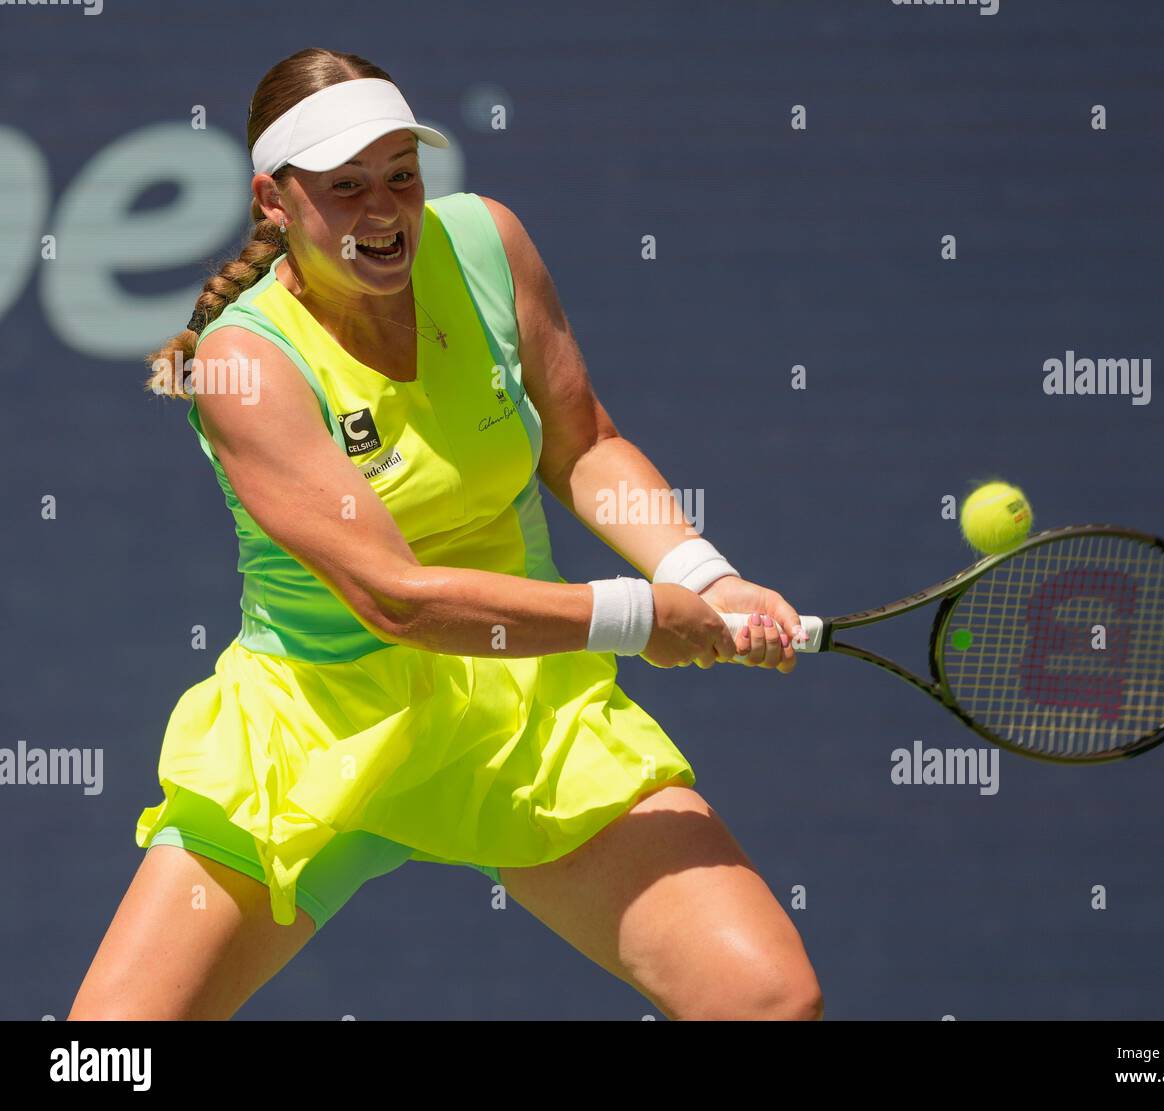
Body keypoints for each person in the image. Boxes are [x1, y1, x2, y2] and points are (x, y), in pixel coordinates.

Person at [68, 47, 822, 1021]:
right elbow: (396, 598)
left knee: (766, 998)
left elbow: (583, 442)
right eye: (345, 188)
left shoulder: (486, 245)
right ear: (273, 201)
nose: (382, 212)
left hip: (524, 718)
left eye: (400, 177)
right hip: (316, 730)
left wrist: (701, 573)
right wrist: (638, 616)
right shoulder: (243, 367)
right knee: (107, 1050)